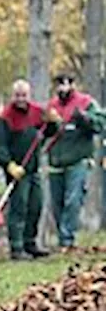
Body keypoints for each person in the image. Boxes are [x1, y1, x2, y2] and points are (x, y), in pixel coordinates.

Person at [44, 72, 107, 250]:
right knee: (57, 204)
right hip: (56, 161)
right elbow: (42, 133)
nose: (63, 87)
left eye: (67, 83)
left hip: (78, 160)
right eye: (59, 84)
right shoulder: (52, 106)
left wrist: (85, 119)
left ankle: (67, 239)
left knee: (73, 200)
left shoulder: (86, 102)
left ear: (73, 84)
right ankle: (61, 236)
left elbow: (101, 123)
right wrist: (49, 126)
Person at [0, 80, 51, 261]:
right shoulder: (6, 117)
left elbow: (49, 131)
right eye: (17, 95)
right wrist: (9, 165)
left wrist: (54, 122)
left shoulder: (37, 112)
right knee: (19, 206)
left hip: (33, 168)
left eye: (24, 95)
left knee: (36, 205)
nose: (20, 99)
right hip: (17, 170)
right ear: (13, 96)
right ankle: (16, 247)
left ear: (29, 95)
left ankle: (30, 243)